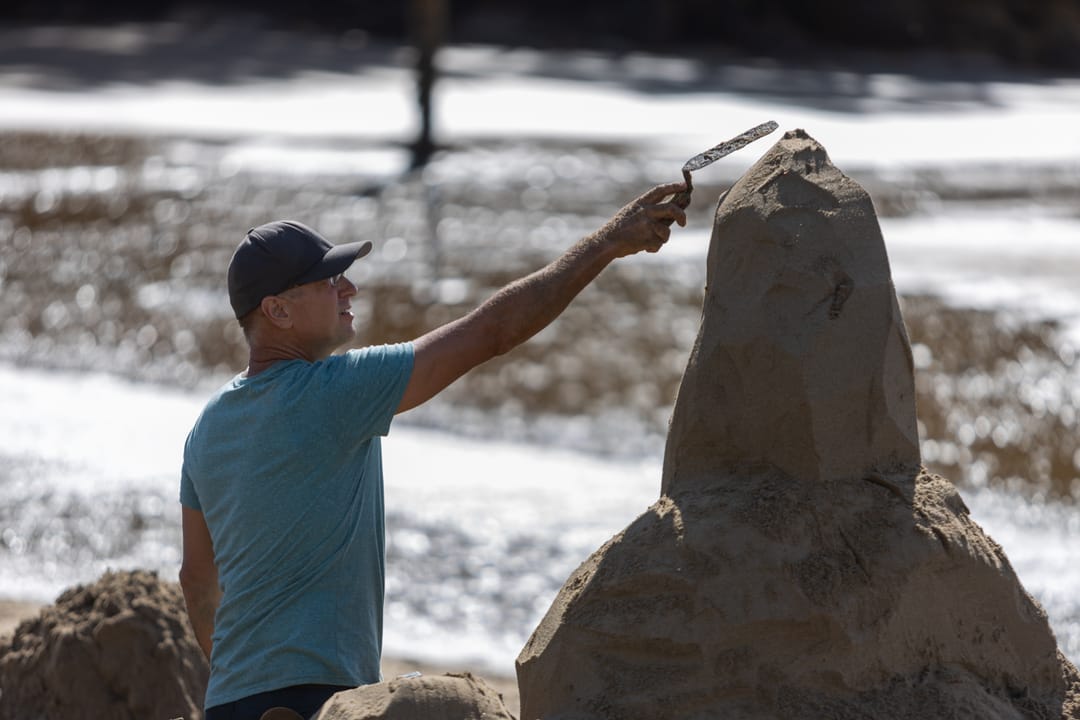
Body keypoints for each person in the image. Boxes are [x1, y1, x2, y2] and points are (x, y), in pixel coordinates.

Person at [178, 181, 688, 720]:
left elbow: (196, 579)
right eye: (328, 281)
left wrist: (242, 680)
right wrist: (607, 243)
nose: (349, 288)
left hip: (229, 701)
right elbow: (491, 332)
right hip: (318, 698)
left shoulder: (207, 427)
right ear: (277, 310)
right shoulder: (334, 393)